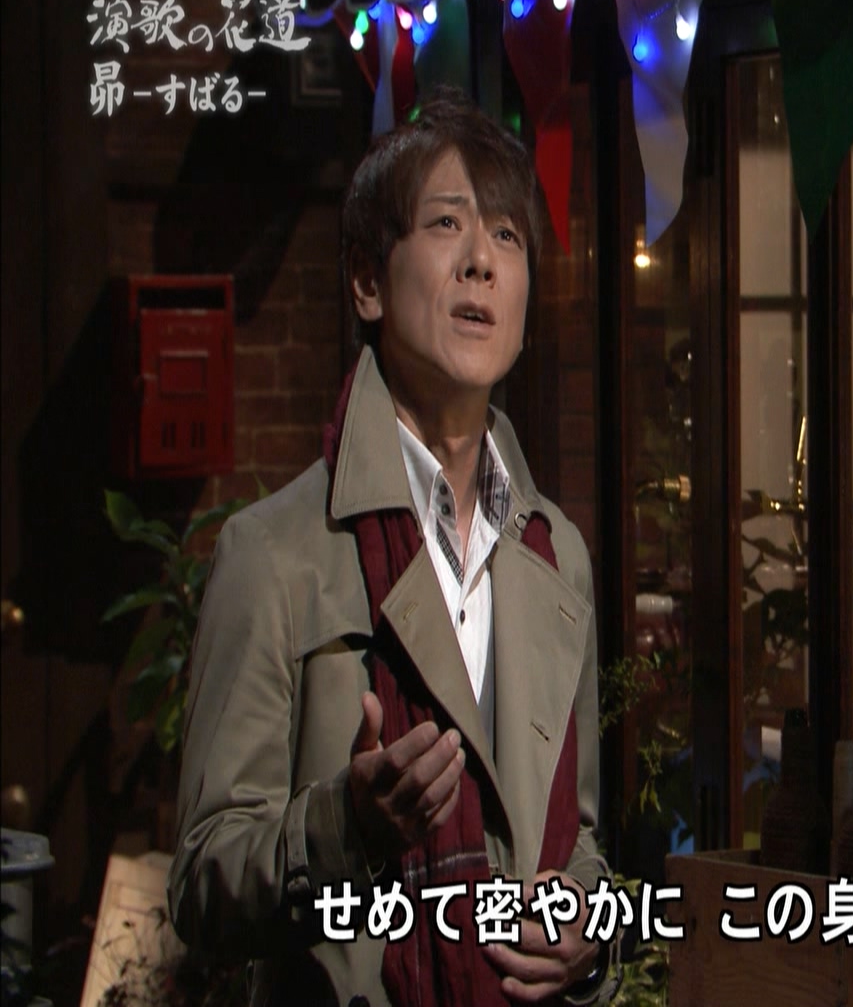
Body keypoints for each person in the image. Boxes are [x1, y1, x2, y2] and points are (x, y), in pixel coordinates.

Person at [168, 89, 617, 1007]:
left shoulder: (554, 553)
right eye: (447, 224)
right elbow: (203, 882)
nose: (481, 261)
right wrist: (348, 826)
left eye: (507, 236)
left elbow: (576, 841)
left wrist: (589, 935)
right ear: (367, 283)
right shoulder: (276, 554)